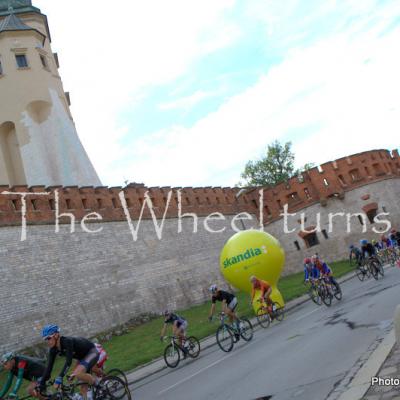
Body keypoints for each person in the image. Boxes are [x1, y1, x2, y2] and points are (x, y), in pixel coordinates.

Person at [39, 325, 100, 400]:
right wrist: (42, 383)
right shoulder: (53, 349)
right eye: (45, 339)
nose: (47, 342)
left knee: (78, 373)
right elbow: (49, 367)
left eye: (48, 338)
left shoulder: (67, 341)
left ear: (56, 335)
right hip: (82, 358)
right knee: (82, 388)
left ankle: (98, 385)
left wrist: (60, 377)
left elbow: (68, 361)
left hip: (92, 352)